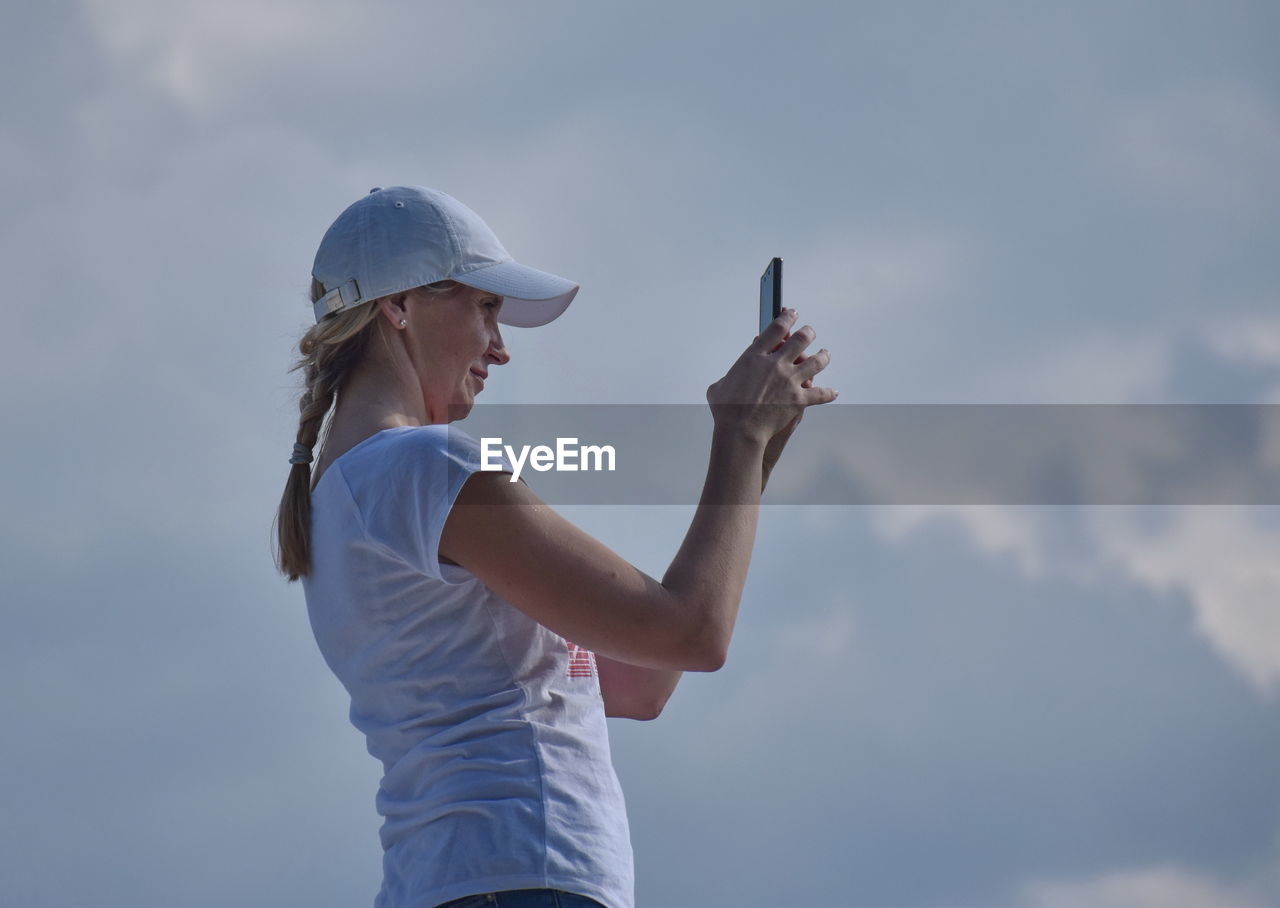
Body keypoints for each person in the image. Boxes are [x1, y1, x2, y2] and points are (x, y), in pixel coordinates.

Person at [274, 186, 837, 908]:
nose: (501, 346)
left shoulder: (351, 491)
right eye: (484, 309)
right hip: (523, 880)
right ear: (399, 307)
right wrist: (741, 435)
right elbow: (692, 633)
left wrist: (757, 449)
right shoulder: (425, 468)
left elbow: (640, 682)